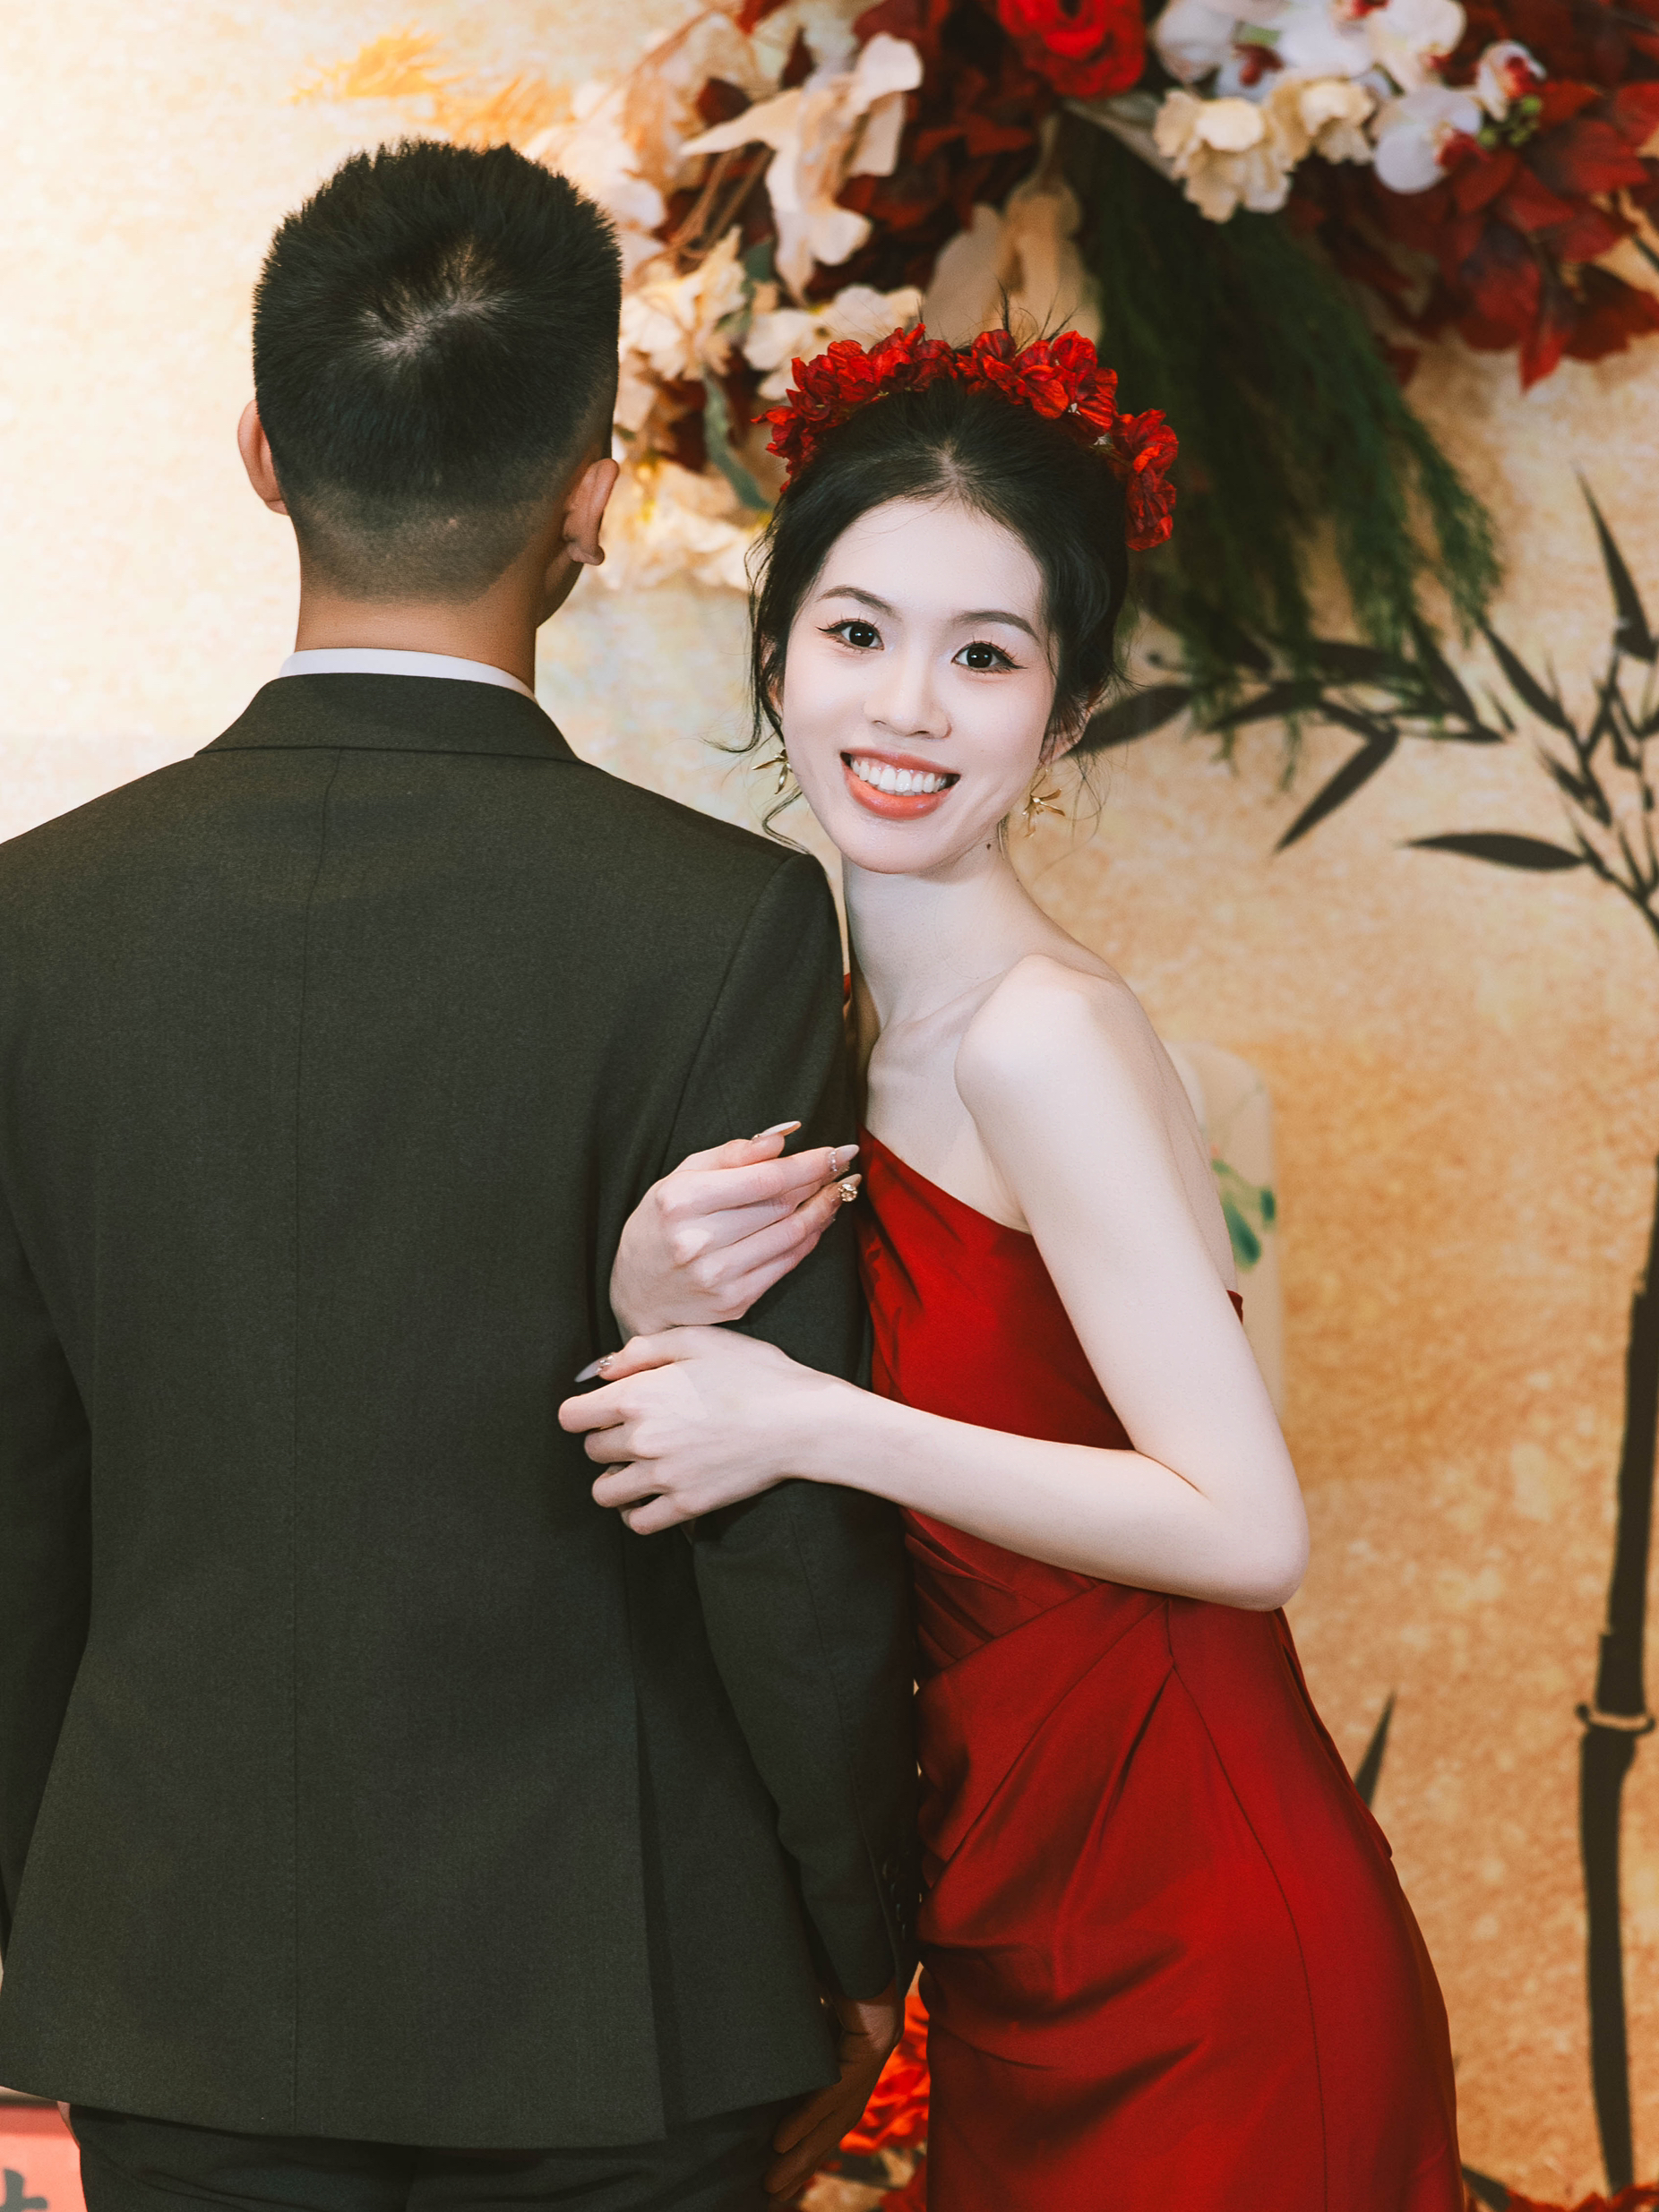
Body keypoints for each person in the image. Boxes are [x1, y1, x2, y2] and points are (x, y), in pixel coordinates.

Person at [0, 141, 918, 2212]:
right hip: (622, 1990)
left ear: (262, 454)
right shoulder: (726, 928)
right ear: (590, 496)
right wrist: (856, 1927)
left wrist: (38, 1929)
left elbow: (14, 1498)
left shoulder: (31, 923)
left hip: (174, 1971)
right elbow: (770, 1505)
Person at [560, 326, 1466, 2209]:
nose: (907, 706)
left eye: (984, 655)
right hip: (1019, 1909)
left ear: (1063, 715)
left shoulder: (1036, 1036)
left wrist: (808, 1418)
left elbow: (1244, 1527)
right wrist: (659, 1307)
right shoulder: (844, 1026)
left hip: (1199, 1916)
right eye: (857, 631)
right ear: (776, 656)